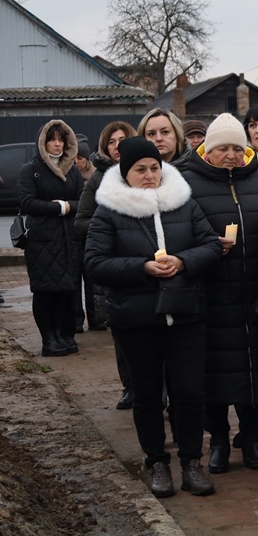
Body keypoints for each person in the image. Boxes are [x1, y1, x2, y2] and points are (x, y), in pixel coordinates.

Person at [84, 137, 222, 498]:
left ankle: (192, 462)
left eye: (154, 167)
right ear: (125, 174)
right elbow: (95, 263)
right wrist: (143, 267)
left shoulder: (183, 203)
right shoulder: (109, 211)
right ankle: (157, 462)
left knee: (190, 392)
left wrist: (183, 261)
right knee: (147, 395)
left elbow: (209, 246)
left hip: (186, 313)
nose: (149, 175)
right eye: (140, 170)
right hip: (137, 318)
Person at [183, 113, 258, 474]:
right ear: (207, 149)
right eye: (222, 148)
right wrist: (206, 246)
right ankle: (219, 441)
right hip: (210, 293)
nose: (230, 155)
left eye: (237, 148)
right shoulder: (188, 183)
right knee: (213, 375)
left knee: (257, 372)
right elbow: (178, 233)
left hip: (257, 290)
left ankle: (252, 439)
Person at [76, 121, 136, 406]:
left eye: (123, 140)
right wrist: (111, 227)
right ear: (104, 146)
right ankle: (130, 387)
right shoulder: (97, 179)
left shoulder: (147, 171)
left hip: (148, 261)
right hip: (115, 263)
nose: (117, 146)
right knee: (121, 330)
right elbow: (81, 221)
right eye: (112, 142)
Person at [18, 119, 85, 357]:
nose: (57, 144)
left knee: (67, 289)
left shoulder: (74, 171)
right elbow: (27, 202)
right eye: (52, 139)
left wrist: (66, 206)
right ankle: (49, 338)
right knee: (45, 290)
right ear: (42, 143)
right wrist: (58, 208)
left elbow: (83, 201)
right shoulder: (31, 170)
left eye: (61, 139)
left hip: (69, 239)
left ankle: (65, 335)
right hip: (41, 241)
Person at [72, 137, 98, 333]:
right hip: (75, 233)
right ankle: (76, 320)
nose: (76, 162)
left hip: (91, 232)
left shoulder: (96, 176)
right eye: (73, 158)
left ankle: (96, 319)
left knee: (92, 279)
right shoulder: (69, 176)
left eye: (80, 158)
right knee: (74, 279)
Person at [138, 108, 193, 172]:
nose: (159, 138)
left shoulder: (196, 169)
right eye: (151, 134)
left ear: (177, 135)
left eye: (165, 132)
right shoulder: (132, 174)